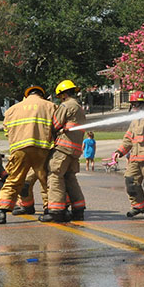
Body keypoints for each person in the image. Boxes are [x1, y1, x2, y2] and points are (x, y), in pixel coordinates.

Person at [0, 85, 57, 225]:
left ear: (27, 95)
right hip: (42, 149)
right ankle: (49, 210)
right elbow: (57, 127)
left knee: (13, 180)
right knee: (46, 182)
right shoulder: (51, 106)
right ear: (41, 95)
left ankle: (1, 212)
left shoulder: (12, 110)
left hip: (19, 150)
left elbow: (6, 131)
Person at [40, 80, 87, 223]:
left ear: (63, 94)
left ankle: (56, 212)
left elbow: (54, 124)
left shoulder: (66, 105)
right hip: (75, 149)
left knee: (55, 176)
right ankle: (78, 210)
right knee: (70, 178)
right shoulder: (79, 106)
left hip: (63, 148)